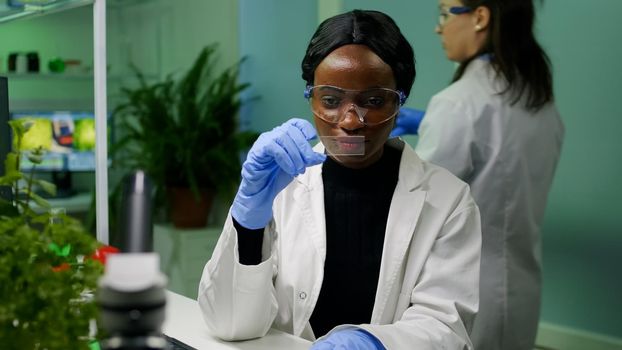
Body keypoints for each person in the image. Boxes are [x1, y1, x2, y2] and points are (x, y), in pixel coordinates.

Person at [198, 10, 482, 349]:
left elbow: (445, 327)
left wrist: (372, 343)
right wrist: (247, 223)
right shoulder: (279, 186)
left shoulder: (448, 200)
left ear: (399, 102)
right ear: (311, 98)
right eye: (331, 100)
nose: (350, 121)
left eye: (373, 101)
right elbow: (229, 324)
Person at [391, 1, 565, 349]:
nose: (438, 28)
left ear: (481, 17)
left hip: (464, 291)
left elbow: (416, 207)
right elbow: (500, 154)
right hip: (520, 289)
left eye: (445, 13)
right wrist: (432, 122)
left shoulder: (458, 103)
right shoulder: (541, 102)